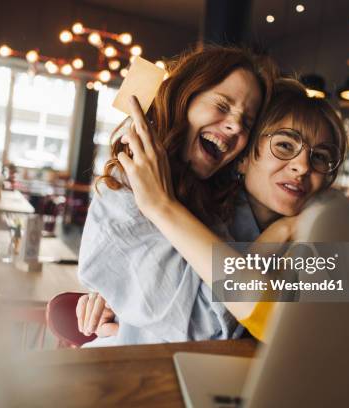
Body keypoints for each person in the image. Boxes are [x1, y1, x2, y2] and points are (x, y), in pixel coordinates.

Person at [79, 78, 348, 341]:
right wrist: (280, 232)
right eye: (285, 145)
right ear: (242, 158)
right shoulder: (199, 216)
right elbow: (201, 323)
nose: (303, 166)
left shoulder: (325, 243)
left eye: (320, 157)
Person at [77, 45, 276, 346]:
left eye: (247, 122)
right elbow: (203, 328)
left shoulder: (227, 198)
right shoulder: (124, 183)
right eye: (222, 106)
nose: (236, 126)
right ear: (183, 99)